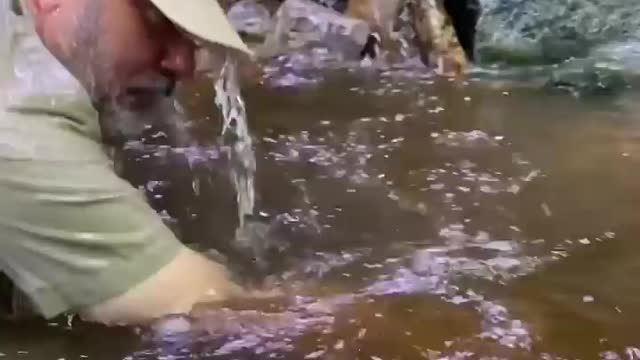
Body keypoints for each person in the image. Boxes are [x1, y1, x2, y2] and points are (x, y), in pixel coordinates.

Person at [0, 0, 262, 326]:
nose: (183, 63)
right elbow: (217, 314)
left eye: (190, 38)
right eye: (154, 21)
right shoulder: (20, 128)